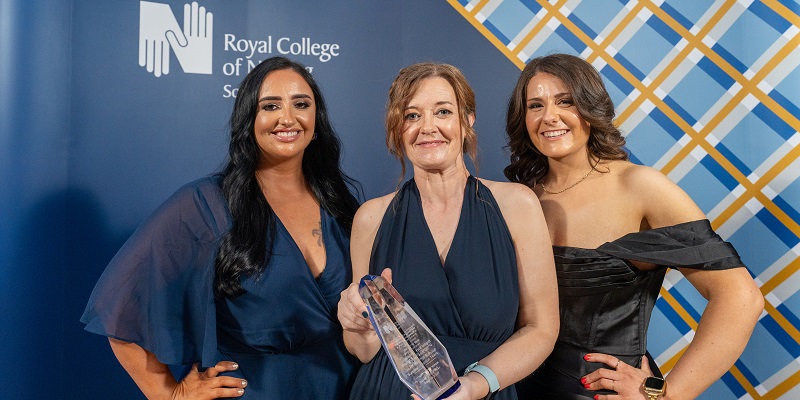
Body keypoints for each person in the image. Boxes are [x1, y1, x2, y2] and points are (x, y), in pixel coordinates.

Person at [81, 56, 361, 399]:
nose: (288, 118)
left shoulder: (340, 203)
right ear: (248, 119)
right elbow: (122, 306)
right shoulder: (207, 204)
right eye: (270, 106)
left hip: (346, 388)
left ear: (316, 119)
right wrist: (171, 394)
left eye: (301, 104)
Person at [504, 53, 763, 399]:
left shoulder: (640, 187)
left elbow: (741, 297)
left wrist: (665, 394)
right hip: (519, 390)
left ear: (591, 107)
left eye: (566, 101)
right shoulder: (520, 198)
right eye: (536, 105)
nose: (550, 116)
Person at [337, 62, 560, 400]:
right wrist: (357, 325)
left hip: (485, 390)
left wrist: (475, 385)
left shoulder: (517, 205)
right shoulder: (371, 218)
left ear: (467, 121)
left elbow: (541, 330)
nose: (428, 127)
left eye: (443, 111)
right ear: (397, 129)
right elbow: (364, 350)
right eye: (412, 116)